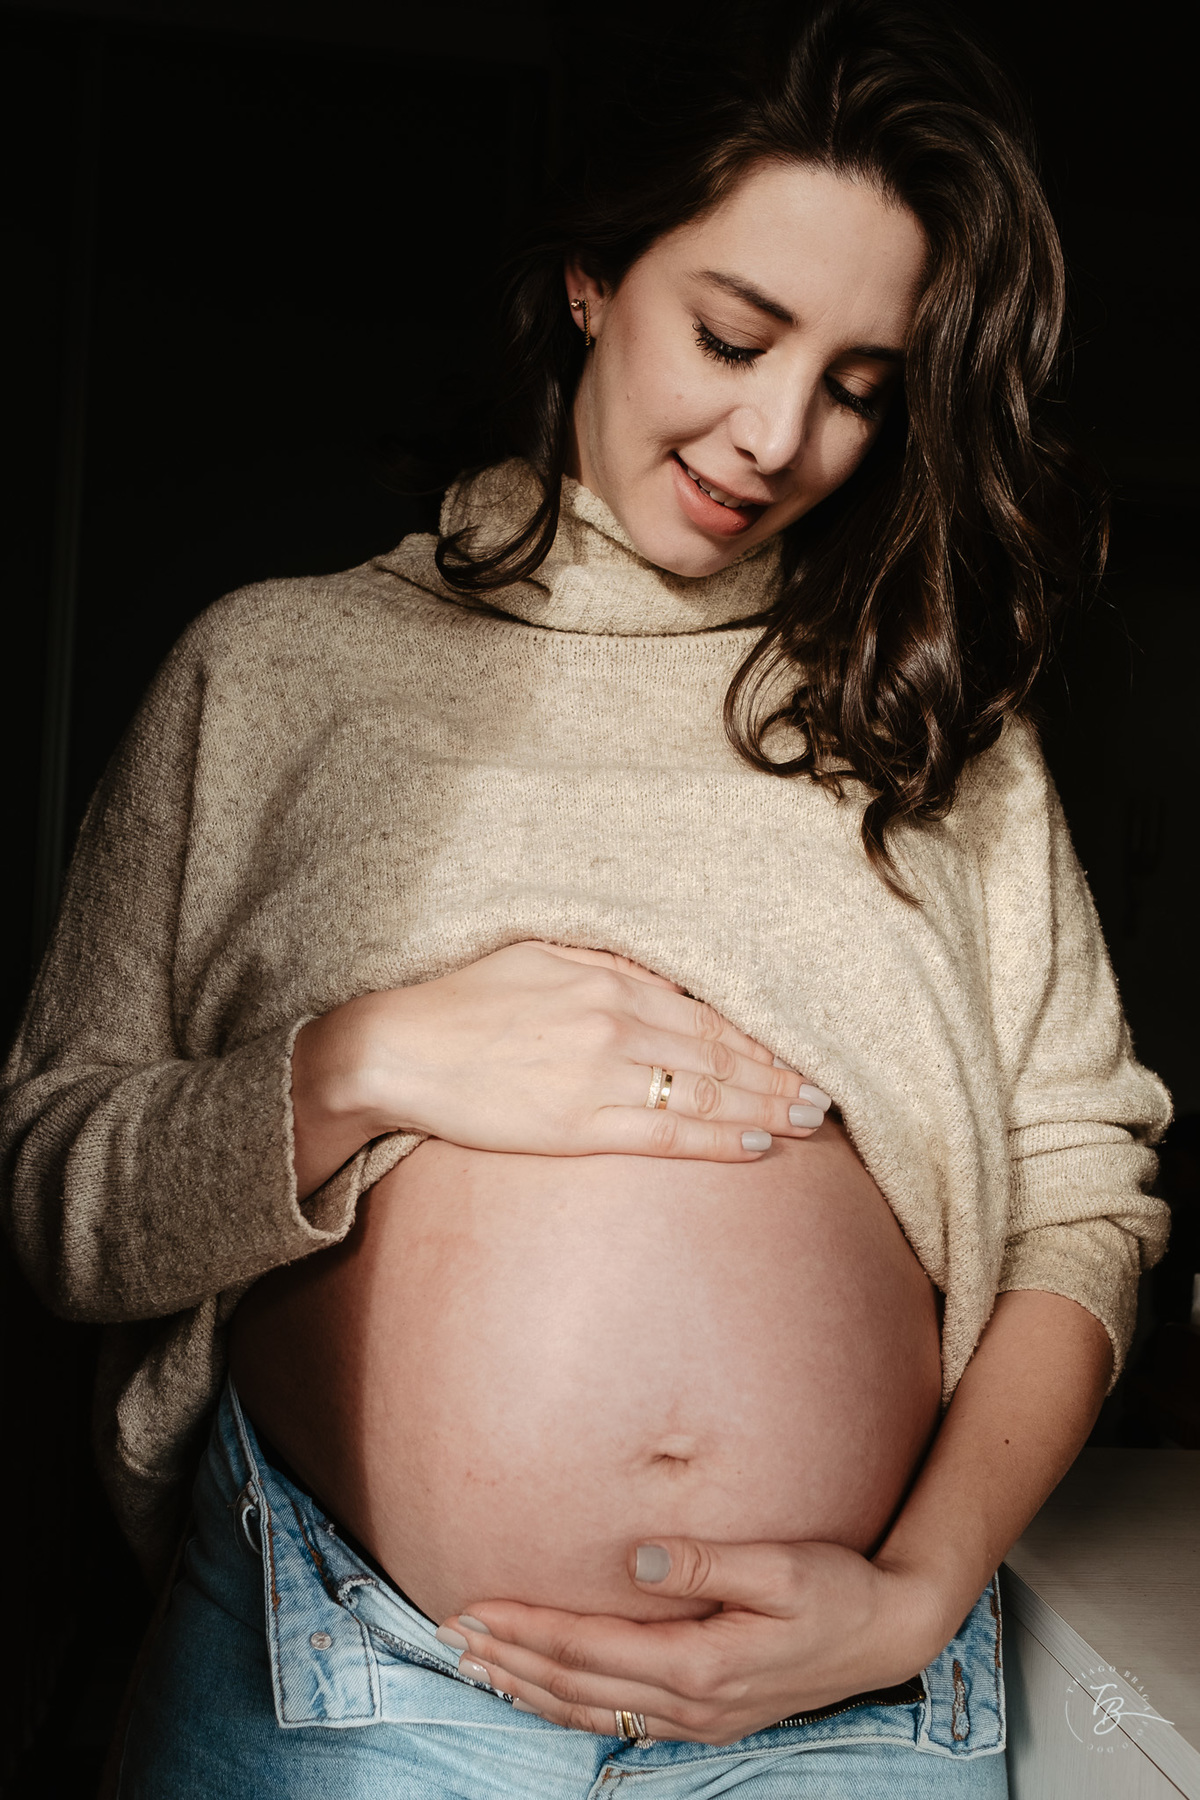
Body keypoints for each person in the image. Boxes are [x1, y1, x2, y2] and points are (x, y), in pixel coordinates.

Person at [1, 2, 1171, 1794]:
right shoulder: (280, 672)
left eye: (860, 385)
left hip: (845, 1705)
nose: (777, 433)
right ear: (592, 278)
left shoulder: (935, 727)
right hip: (358, 1683)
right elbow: (59, 1195)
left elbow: (1084, 1199)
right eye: (734, 336)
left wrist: (917, 1597)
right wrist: (360, 1066)